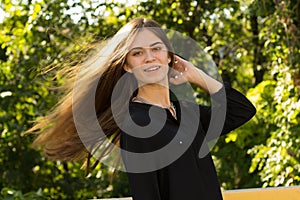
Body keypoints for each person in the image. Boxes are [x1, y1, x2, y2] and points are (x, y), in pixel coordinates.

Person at [28, 18, 256, 200]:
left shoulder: (186, 113)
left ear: (169, 56)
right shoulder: (135, 123)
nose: (149, 58)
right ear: (127, 65)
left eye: (157, 49)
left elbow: (242, 111)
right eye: (137, 53)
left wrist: (197, 75)